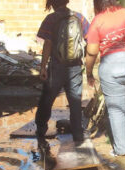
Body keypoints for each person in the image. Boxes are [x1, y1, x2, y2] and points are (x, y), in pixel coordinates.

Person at [85, 0, 125, 156]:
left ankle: (121, 150)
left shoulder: (98, 20)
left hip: (113, 66)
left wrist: (88, 73)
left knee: (115, 110)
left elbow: (92, 51)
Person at [35, 0, 90, 153]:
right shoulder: (79, 17)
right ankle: (78, 136)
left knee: (47, 99)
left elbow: (47, 43)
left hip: (57, 66)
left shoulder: (51, 19)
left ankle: (41, 132)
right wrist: (86, 62)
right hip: (75, 66)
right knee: (75, 100)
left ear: (52, 3)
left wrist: (43, 67)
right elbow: (89, 39)